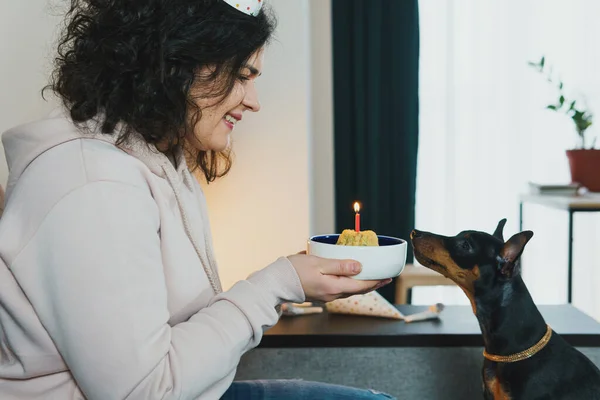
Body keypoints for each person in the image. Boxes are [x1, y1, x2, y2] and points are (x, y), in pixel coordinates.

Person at [0, 1, 396, 399]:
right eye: (242, 75)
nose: (254, 100)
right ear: (174, 64)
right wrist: (278, 284)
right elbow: (146, 393)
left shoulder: (159, 161)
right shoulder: (92, 188)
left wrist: (293, 281)